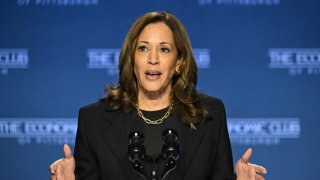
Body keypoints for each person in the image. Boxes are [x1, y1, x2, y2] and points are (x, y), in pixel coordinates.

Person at [50, 11, 267, 180]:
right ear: (131, 59)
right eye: (143, 48)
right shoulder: (94, 120)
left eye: (164, 49)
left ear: (179, 63)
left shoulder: (209, 115)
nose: (152, 59)